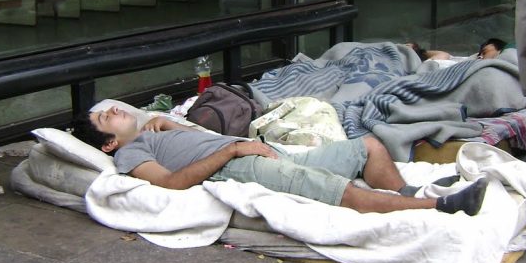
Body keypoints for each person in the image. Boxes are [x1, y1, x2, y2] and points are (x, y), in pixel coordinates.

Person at [71, 105, 487, 216]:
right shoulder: (131, 153)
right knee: (340, 192)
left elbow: (200, 141)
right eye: (105, 118)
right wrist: (233, 150)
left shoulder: (154, 131)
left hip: (269, 152)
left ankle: (405, 191)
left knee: (369, 146)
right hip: (241, 166)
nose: (113, 111)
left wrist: (171, 124)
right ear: (108, 144)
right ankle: (438, 206)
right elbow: (172, 184)